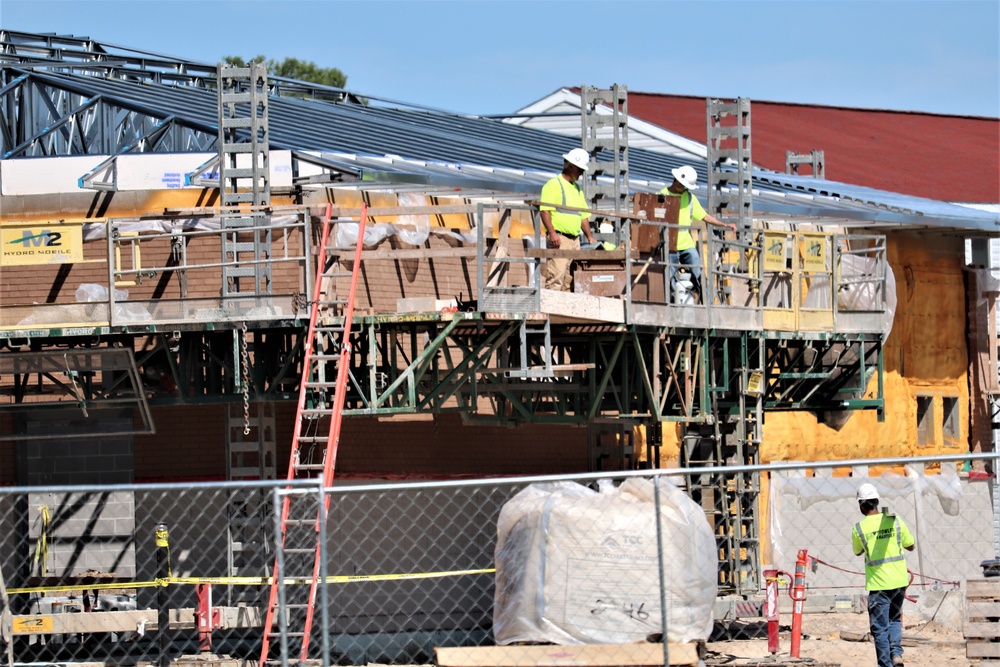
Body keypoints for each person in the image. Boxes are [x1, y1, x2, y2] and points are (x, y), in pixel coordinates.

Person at [851, 483, 915, 667]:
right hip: (899, 581)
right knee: (894, 619)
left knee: (879, 628)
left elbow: (857, 551)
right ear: (877, 501)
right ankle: (896, 654)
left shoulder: (859, 528)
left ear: (862, 505)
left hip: (879, 585)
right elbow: (910, 544)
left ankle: (885, 664)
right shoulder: (894, 520)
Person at [657, 165, 736, 302]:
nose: (685, 190)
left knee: (698, 274)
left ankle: (707, 303)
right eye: (684, 187)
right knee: (669, 277)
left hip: (686, 244)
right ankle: (672, 305)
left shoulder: (689, 197)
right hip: (669, 245)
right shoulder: (661, 196)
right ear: (676, 181)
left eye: (687, 188)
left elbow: (704, 216)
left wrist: (724, 225)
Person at [540, 148, 597, 291]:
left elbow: (583, 215)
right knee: (556, 277)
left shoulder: (577, 189)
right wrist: (552, 233)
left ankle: (565, 312)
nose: (581, 174)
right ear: (571, 166)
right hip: (560, 239)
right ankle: (551, 312)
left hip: (574, 240)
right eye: (580, 170)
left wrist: (590, 237)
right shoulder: (553, 184)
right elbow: (545, 210)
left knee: (570, 280)